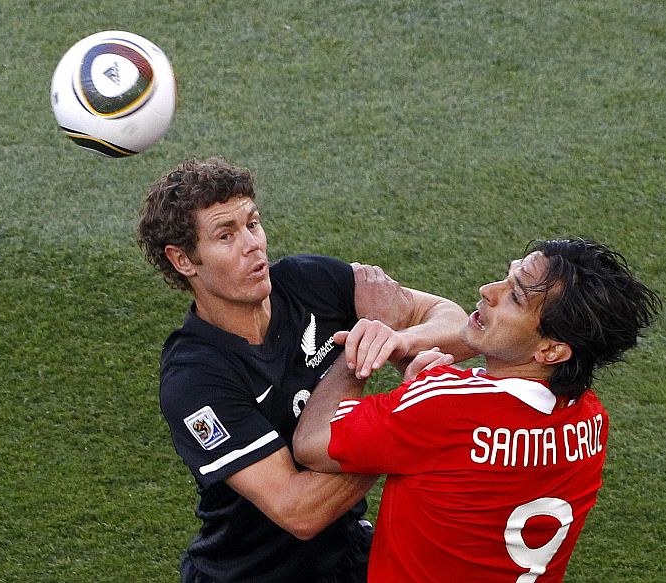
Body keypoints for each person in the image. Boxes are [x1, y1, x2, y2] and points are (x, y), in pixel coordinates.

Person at [136, 156, 472, 583]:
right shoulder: (196, 378)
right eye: (226, 235)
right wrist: (401, 425)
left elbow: (459, 327)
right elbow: (299, 510)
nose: (252, 244)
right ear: (183, 260)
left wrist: (400, 338)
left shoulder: (307, 281)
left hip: (350, 556)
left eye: (252, 224)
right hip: (253, 575)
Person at [294, 238, 662, 583]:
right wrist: (419, 368)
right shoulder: (591, 419)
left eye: (515, 297)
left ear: (551, 351)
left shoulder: (446, 405)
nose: (489, 290)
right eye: (507, 276)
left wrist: (361, 347)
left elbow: (311, 443)